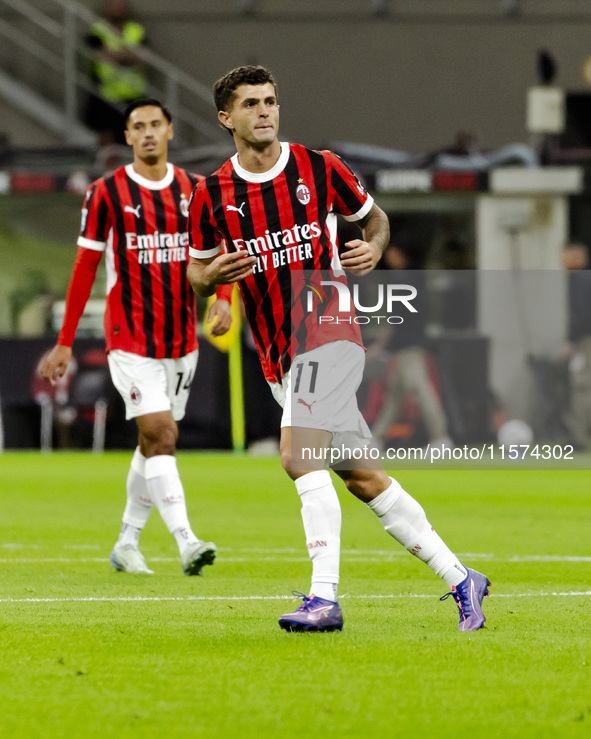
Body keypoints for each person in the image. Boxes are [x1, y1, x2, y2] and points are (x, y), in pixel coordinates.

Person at [186, 65, 491, 632]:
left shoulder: (318, 167)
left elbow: (373, 219)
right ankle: (460, 578)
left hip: (328, 328)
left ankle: (323, 598)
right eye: (251, 103)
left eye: (271, 101)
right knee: (363, 478)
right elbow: (197, 271)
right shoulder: (211, 194)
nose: (265, 111)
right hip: (278, 352)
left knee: (298, 458)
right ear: (226, 117)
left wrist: (373, 248)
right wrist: (212, 280)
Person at [41, 98, 233, 576]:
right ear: (127, 137)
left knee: (153, 443)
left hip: (181, 340)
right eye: (137, 126)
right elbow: (86, 265)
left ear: (170, 131)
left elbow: (221, 251)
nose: (147, 133)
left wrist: (223, 298)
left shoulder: (195, 189)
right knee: (162, 434)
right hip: (129, 339)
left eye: (155, 124)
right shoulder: (105, 193)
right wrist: (66, 340)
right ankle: (187, 542)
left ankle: (127, 542)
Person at [368, 243, 453, 451]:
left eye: (391, 254)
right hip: (410, 344)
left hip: (408, 347)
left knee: (421, 390)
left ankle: (441, 438)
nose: (388, 259)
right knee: (395, 396)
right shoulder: (417, 279)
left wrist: (379, 345)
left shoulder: (401, 280)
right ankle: (376, 438)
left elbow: (394, 320)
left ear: (401, 254)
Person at [83, 0, 148, 147]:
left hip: (132, 93)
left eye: (121, 3)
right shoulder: (98, 29)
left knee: (131, 136)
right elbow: (99, 53)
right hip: (105, 92)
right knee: (106, 137)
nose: (117, 7)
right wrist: (128, 54)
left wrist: (115, 55)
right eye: (113, 3)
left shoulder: (135, 29)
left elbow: (142, 58)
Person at [561, 243, 591, 449]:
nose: (561, 261)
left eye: (565, 256)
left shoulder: (581, 279)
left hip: (586, 340)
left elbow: (582, 314)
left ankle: (578, 438)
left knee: (582, 387)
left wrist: (572, 341)